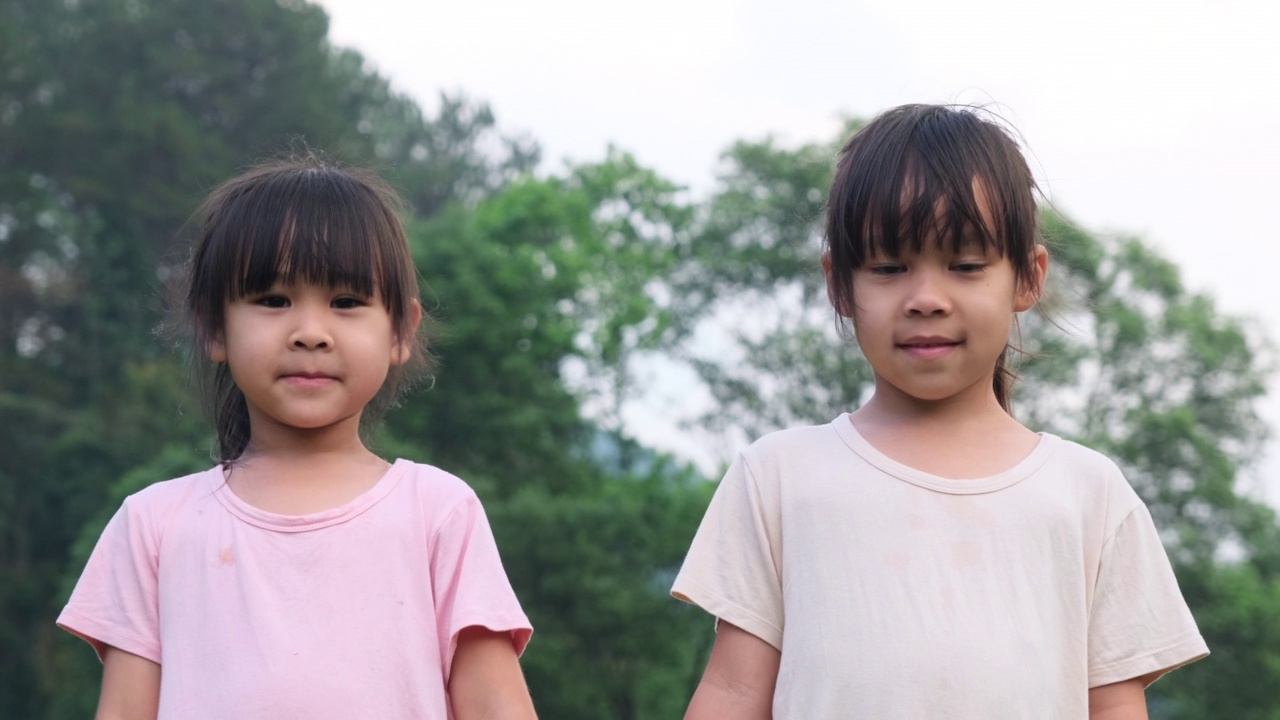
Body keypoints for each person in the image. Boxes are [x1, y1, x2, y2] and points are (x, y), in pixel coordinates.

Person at [672, 104, 1208, 719]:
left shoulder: (1088, 494)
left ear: (1028, 278)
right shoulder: (777, 477)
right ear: (840, 285)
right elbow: (735, 693)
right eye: (889, 267)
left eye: (966, 265)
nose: (926, 298)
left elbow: (1114, 705)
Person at [58, 155, 537, 720]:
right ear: (214, 327)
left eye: (346, 303)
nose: (310, 333)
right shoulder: (154, 526)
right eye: (273, 300)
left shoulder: (438, 513)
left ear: (401, 331)